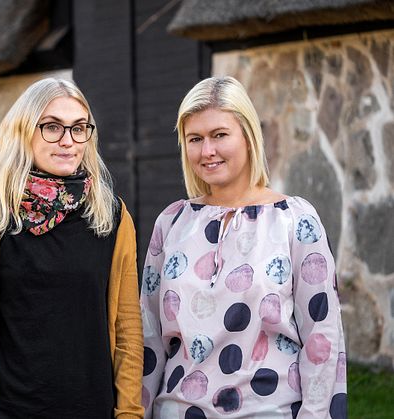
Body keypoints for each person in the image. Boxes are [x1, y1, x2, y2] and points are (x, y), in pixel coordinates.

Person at [140, 76, 347, 418]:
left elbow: (322, 339)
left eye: (220, 135)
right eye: (195, 139)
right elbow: (149, 337)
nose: (207, 151)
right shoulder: (172, 223)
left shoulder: (295, 221)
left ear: (248, 137)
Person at [0, 77, 144, 419]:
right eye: (52, 127)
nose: (68, 141)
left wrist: (129, 412)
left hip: (91, 410)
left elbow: (128, 329)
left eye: (79, 128)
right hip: (10, 411)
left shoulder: (111, 216)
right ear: (24, 131)